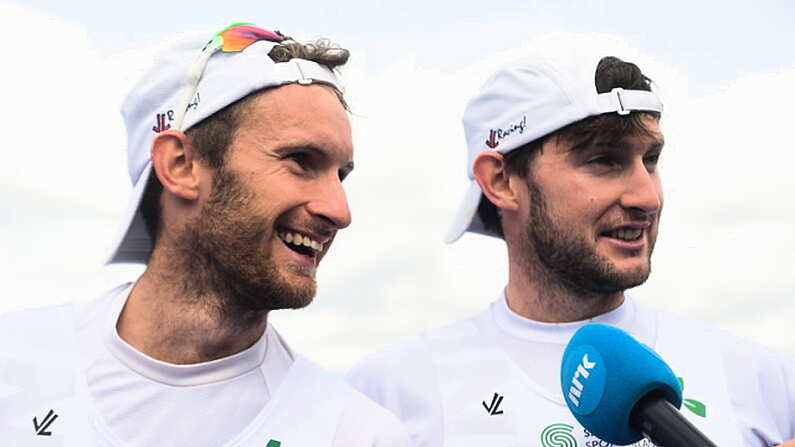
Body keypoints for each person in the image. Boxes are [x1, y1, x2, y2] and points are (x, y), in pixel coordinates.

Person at [347, 48, 795, 446]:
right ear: (501, 181)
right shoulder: (387, 397)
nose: (647, 197)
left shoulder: (760, 378)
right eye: (604, 161)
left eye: (650, 161)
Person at [0, 22, 409, 446]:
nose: (339, 211)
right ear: (180, 165)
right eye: (300, 161)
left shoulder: (356, 434)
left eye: (340, 175)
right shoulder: (12, 363)